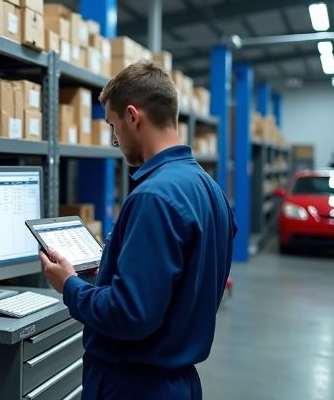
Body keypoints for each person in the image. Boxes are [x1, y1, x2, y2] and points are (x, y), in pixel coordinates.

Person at [40, 61, 236, 399]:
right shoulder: (209, 188)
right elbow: (184, 280)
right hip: (178, 382)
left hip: (135, 384)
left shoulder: (153, 196)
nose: (115, 140)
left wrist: (69, 285)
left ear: (133, 116)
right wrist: (115, 269)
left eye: (113, 126)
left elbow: (130, 315)